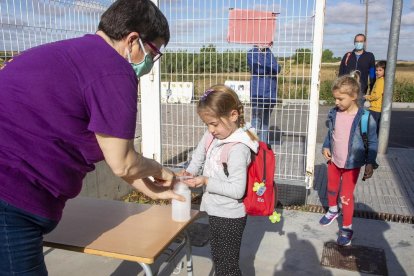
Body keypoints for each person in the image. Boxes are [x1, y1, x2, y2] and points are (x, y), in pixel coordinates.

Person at [0, 0, 184, 275]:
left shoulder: (66, 53)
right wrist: (161, 171)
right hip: (11, 194)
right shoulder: (114, 69)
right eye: (154, 51)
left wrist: (154, 189)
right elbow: (124, 162)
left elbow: (117, 159)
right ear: (133, 40)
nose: (151, 63)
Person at [178, 85, 259, 276]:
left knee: (227, 266)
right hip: (215, 209)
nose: (210, 129)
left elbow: (238, 190)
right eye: (206, 124)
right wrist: (188, 174)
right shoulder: (213, 135)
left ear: (233, 115)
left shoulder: (238, 148)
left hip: (230, 216)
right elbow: (199, 156)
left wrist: (205, 181)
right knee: (219, 257)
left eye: (214, 124)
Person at [320, 71, 378, 246]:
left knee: (345, 196)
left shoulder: (365, 117)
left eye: (340, 99)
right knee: (331, 188)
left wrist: (370, 162)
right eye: (335, 99)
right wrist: (326, 145)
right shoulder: (334, 113)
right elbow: (331, 132)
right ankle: (332, 210)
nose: (336, 102)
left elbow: (372, 142)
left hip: (352, 164)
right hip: (334, 161)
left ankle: (346, 227)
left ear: (353, 96)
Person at [247, 42, 281, 143]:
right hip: (257, 92)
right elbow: (259, 69)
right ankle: (253, 145)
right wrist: (269, 65)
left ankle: (263, 146)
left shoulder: (269, 53)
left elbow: (277, 68)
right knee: (255, 121)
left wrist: (265, 63)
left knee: (266, 122)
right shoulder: (251, 53)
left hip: (270, 93)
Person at [338, 33, 376, 105]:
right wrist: (340, 87)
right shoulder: (347, 55)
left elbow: (372, 74)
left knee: (358, 112)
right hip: (347, 89)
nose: (359, 43)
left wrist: (371, 90)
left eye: (361, 41)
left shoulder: (370, 56)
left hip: (361, 90)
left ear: (364, 43)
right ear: (354, 42)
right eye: (357, 41)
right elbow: (341, 73)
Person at [364, 60, 386, 134]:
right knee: (375, 128)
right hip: (376, 108)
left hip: (375, 109)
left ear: (385, 71)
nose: (377, 72)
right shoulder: (379, 79)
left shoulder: (381, 81)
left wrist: (367, 97)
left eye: (380, 70)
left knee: (373, 128)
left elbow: (376, 96)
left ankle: (373, 143)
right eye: (376, 70)